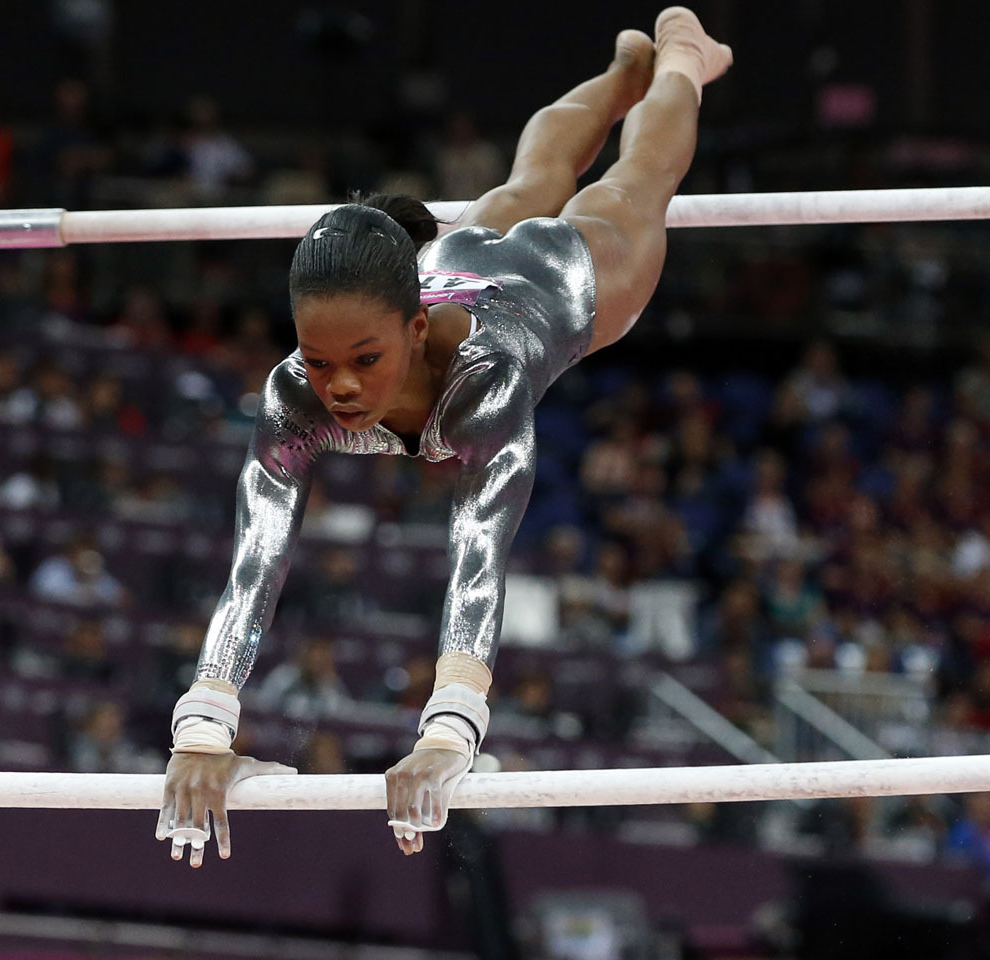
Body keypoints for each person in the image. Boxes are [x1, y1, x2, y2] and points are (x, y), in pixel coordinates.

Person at [157, 7, 732, 867]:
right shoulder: (293, 393)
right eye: (318, 361)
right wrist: (203, 727)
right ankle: (618, 74)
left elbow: (479, 553)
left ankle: (680, 62)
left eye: (364, 359)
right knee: (531, 171)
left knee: (633, 180)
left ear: (416, 329)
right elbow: (259, 553)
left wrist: (450, 727)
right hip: (456, 257)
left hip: (566, 280)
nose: (339, 387)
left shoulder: (485, 388)